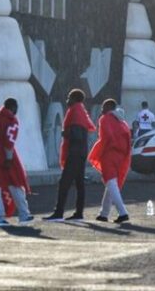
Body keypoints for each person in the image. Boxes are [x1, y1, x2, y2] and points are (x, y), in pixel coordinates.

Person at [44, 89, 96, 222]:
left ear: (74, 98)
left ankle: (59, 212)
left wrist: (65, 134)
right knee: (79, 184)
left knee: (64, 183)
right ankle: (78, 213)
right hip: (81, 152)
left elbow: (76, 135)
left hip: (74, 152)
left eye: (69, 97)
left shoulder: (76, 112)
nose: (67, 100)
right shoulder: (81, 111)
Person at [0, 98, 33, 227]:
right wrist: (9, 158)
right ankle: (24, 214)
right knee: (16, 183)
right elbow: (9, 142)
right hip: (6, 158)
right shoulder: (11, 120)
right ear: (13, 107)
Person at [89, 99, 131, 224]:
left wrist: (98, 151)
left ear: (108, 107)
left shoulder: (105, 118)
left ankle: (123, 212)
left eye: (103, 106)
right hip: (121, 155)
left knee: (111, 183)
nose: (101, 109)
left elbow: (106, 137)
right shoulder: (122, 121)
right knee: (111, 184)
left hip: (109, 154)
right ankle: (104, 213)